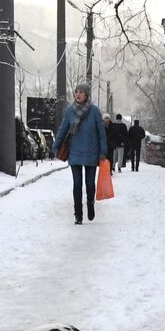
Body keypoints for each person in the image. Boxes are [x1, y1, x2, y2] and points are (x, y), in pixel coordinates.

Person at [53, 82, 109, 225]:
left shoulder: (95, 112)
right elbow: (62, 129)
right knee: (77, 183)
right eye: (76, 91)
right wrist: (56, 145)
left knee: (90, 184)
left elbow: (102, 134)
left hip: (91, 152)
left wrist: (103, 152)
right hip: (75, 153)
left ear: (86, 94)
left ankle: (90, 202)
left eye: (81, 92)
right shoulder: (70, 111)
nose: (78, 94)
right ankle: (78, 213)